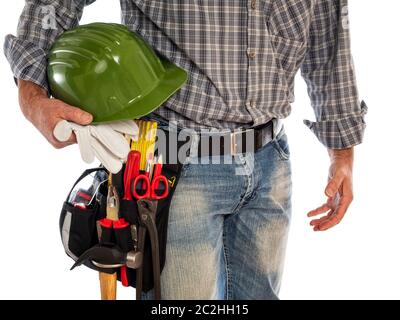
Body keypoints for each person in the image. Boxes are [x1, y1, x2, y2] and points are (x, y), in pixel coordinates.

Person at [4, 0, 366, 300]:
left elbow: (329, 35)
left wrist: (342, 153)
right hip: (173, 164)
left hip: (271, 162)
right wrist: (32, 97)